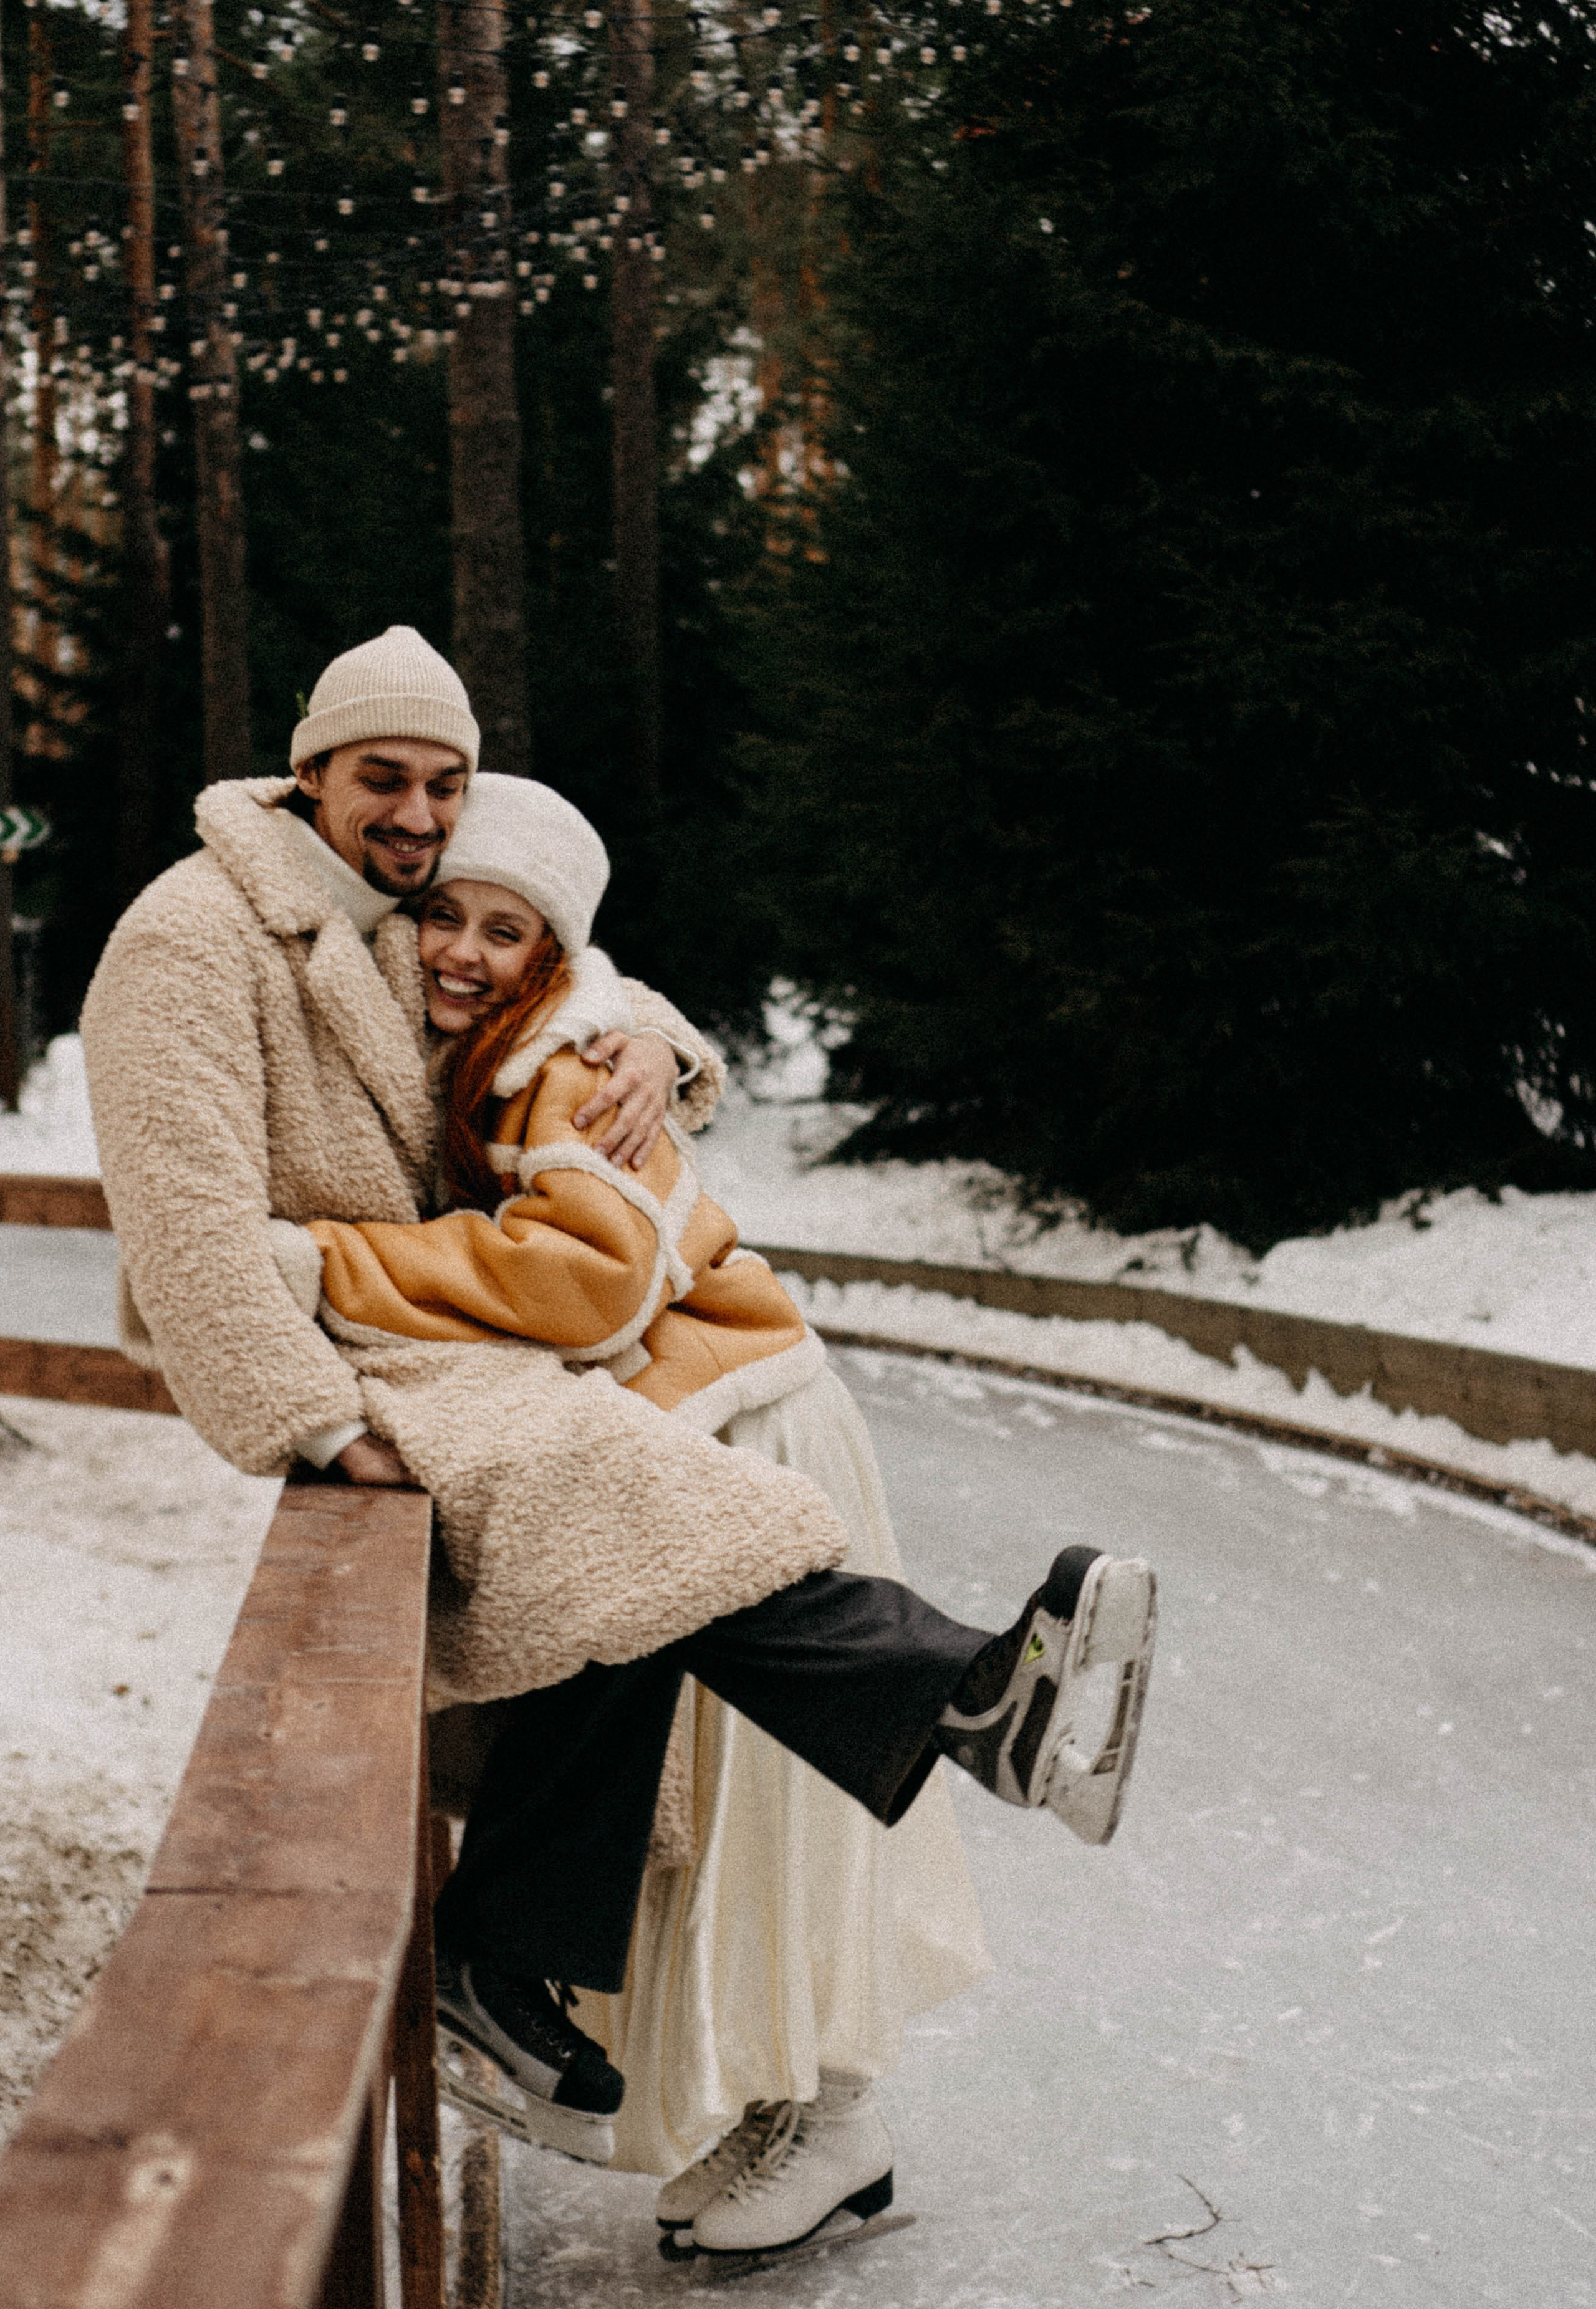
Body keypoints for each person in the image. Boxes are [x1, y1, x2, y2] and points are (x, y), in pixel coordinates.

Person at [81, 626, 1156, 2265]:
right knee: (628, 1550)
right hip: (392, 1367)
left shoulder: (382, 917)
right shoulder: (195, 939)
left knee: (649, 1590)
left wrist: (649, 1036)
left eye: (446, 782)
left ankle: (623, 1959)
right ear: (312, 773)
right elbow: (185, 1218)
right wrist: (305, 1422)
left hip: (516, 1365)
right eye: (389, 778)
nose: (423, 816)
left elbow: (545, 974)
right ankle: (944, 1715)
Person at [302, 772, 995, 2241]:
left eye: (506, 929)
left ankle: (831, 2122)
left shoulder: (556, 1052)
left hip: (744, 1432)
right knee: (731, 1820)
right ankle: (812, 2124)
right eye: (440, 912)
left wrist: (332, 1265)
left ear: (555, 959)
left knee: (772, 1817)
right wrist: (647, 1029)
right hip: (686, 1437)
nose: (458, 951)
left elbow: (585, 1276)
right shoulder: (530, 1040)